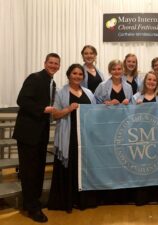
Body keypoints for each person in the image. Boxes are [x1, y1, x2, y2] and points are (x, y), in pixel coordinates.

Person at [12, 53, 60, 223]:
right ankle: (32, 208)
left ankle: (34, 202)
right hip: (28, 133)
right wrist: (43, 109)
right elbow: (22, 100)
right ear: (45, 63)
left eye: (56, 64)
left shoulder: (52, 83)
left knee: (38, 170)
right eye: (51, 62)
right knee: (29, 172)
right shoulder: (35, 78)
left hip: (41, 133)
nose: (53, 66)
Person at [47, 64, 97, 212]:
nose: (77, 76)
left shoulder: (88, 92)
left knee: (83, 168)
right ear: (69, 75)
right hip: (68, 136)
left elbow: (96, 113)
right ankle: (67, 201)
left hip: (85, 137)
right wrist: (68, 109)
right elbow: (54, 115)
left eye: (80, 74)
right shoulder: (60, 92)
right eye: (74, 73)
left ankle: (83, 201)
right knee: (69, 168)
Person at [131, 71, 158, 206]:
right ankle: (142, 197)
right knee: (142, 167)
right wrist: (134, 108)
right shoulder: (136, 97)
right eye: (149, 79)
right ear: (145, 81)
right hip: (141, 136)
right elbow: (129, 117)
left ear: (157, 83)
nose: (151, 82)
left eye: (154, 80)